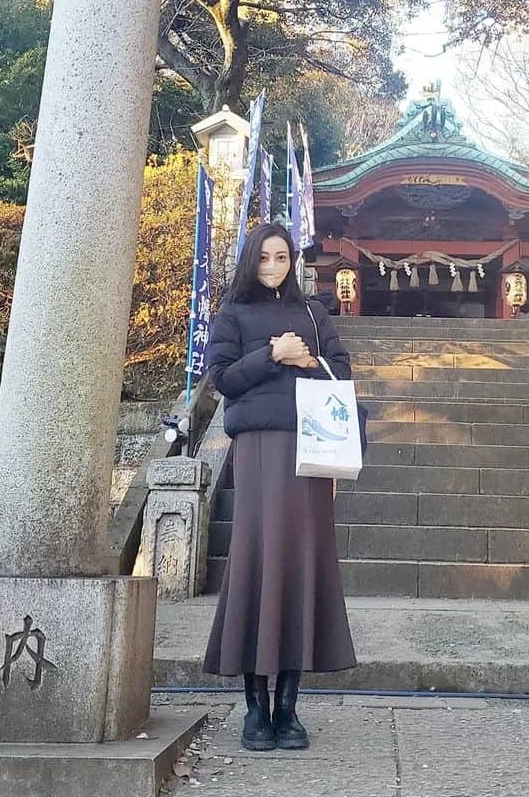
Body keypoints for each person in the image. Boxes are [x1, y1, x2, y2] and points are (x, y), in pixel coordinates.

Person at [202, 222, 356, 752]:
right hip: (260, 447)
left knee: (301, 565)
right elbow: (220, 377)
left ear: (294, 261)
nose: (274, 267)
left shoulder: (314, 313)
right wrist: (270, 354)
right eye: (265, 257)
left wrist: (305, 359)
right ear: (251, 260)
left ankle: (288, 707)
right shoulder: (234, 313)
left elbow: (340, 370)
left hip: (311, 446)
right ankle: (254, 708)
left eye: (283, 257)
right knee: (257, 562)